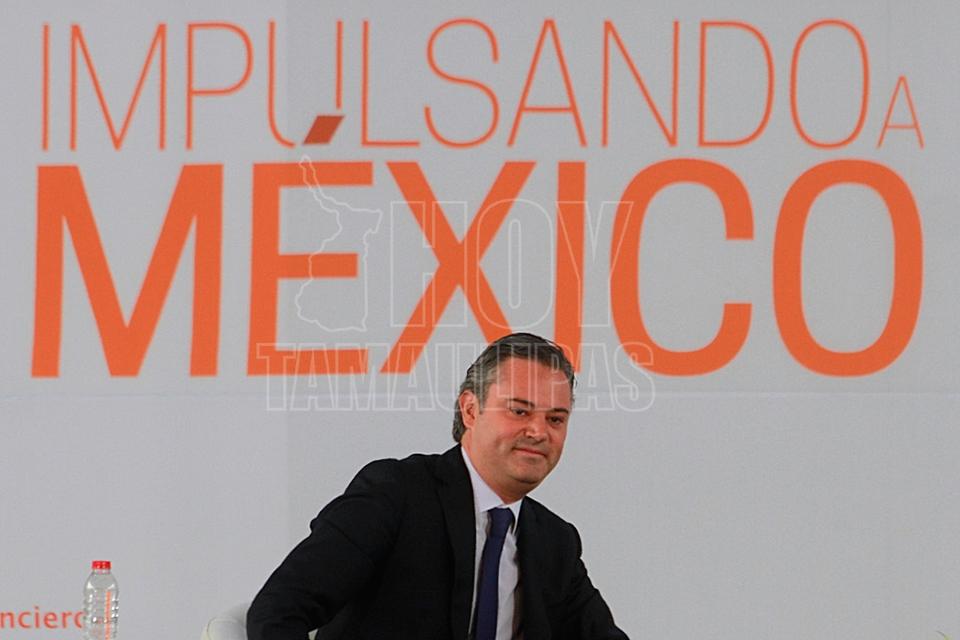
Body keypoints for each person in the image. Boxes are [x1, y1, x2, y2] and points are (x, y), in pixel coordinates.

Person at [247, 333, 628, 639]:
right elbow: (278, 613)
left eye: (556, 419)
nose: (539, 431)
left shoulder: (555, 541)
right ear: (471, 410)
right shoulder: (396, 494)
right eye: (519, 411)